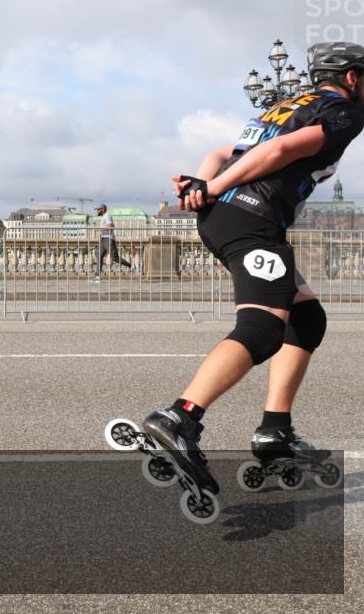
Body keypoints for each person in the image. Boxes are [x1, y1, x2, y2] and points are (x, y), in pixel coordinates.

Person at [142, 42, 364, 495]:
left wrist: (203, 186)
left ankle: (274, 429)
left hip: (228, 217)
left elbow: (223, 150)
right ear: (352, 78)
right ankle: (180, 417)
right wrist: (217, 184)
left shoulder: (286, 106)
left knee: (305, 317)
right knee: (263, 327)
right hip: (252, 217)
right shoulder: (342, 112)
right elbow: (280, 152)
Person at [90, 203, 132, 282]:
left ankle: (131, 266)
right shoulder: (103, 217)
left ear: (102, 209)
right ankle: (97, 277)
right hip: (103, 239)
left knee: (115, 258)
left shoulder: (107, 216)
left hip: (109, 239)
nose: (97, 211)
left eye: (98, 209)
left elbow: (111, 226)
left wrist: (100, 228)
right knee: (99, 256)